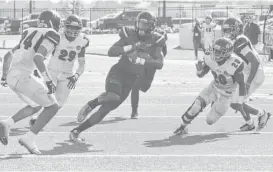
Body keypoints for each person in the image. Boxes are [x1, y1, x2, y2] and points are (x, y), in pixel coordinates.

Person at [70, 11, 166, 142]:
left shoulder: (156, 40)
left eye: (145, 25)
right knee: (113, 96)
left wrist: (139, 60)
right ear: (136, 23)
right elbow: (111, 52)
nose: (142, 28)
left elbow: (159, 64)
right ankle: (91, 104)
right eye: (140, 24)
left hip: (132, 79)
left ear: (152, 26)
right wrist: (132, 47)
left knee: (107, 109)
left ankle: (76, 131)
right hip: (118, 72)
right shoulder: (129, 34)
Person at [0, 10, 61, 154]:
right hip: (23, 77)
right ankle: (29, 138)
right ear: (53, 23)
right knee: (52, 106)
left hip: (12, 76)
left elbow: (8, 55)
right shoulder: (52, 33)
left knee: (36, 105)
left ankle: (6, 123)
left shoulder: (28, 31)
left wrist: (3, 76)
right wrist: (48, 81)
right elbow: (38, 57)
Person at [174, 37, 247, 135]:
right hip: (214, 87)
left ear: (228, 53)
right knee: (196, 106)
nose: (216, 53)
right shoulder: (209, 57)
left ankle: (215, 103)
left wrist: (240, 102)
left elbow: (242, 84)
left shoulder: (234, 63)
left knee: (209, 120)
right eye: (215, 50)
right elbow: (200, 75)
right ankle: (182, 127)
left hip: (227, 95)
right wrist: (199, 70)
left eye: (219, 51)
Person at [29, 14, 89, 125]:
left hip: (68, 75)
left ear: (79, 29)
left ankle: (40, 119)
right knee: (43, 96)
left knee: (59, 103)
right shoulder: (57, 37)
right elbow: (43, 54)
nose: (72, 30)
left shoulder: (83, 40)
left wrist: (76, 75)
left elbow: (82, 63)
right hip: (52, 71)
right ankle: (36, 117)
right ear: (65, 26)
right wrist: (38, 69)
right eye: (70, 27)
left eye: (75, 28)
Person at [222, 17, 270, 132]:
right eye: (226, 30)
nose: (227, 32)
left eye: (230, 29)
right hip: (247, 73)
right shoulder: (235, 41)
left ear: (237, 29)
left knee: (235, 102)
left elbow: (255, 62)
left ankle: (262, 114)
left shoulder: (240, 41)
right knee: (235, 102)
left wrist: (248, 82)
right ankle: (249, 124)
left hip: (254, 74)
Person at [130, 26, 167, 119]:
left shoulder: (157, 41)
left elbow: (159, 64)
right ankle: (134, 111)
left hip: (150, 65)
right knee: (135, 86)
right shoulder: (137, 37)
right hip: (140, 66)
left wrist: (145, 59)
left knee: (145, 87)